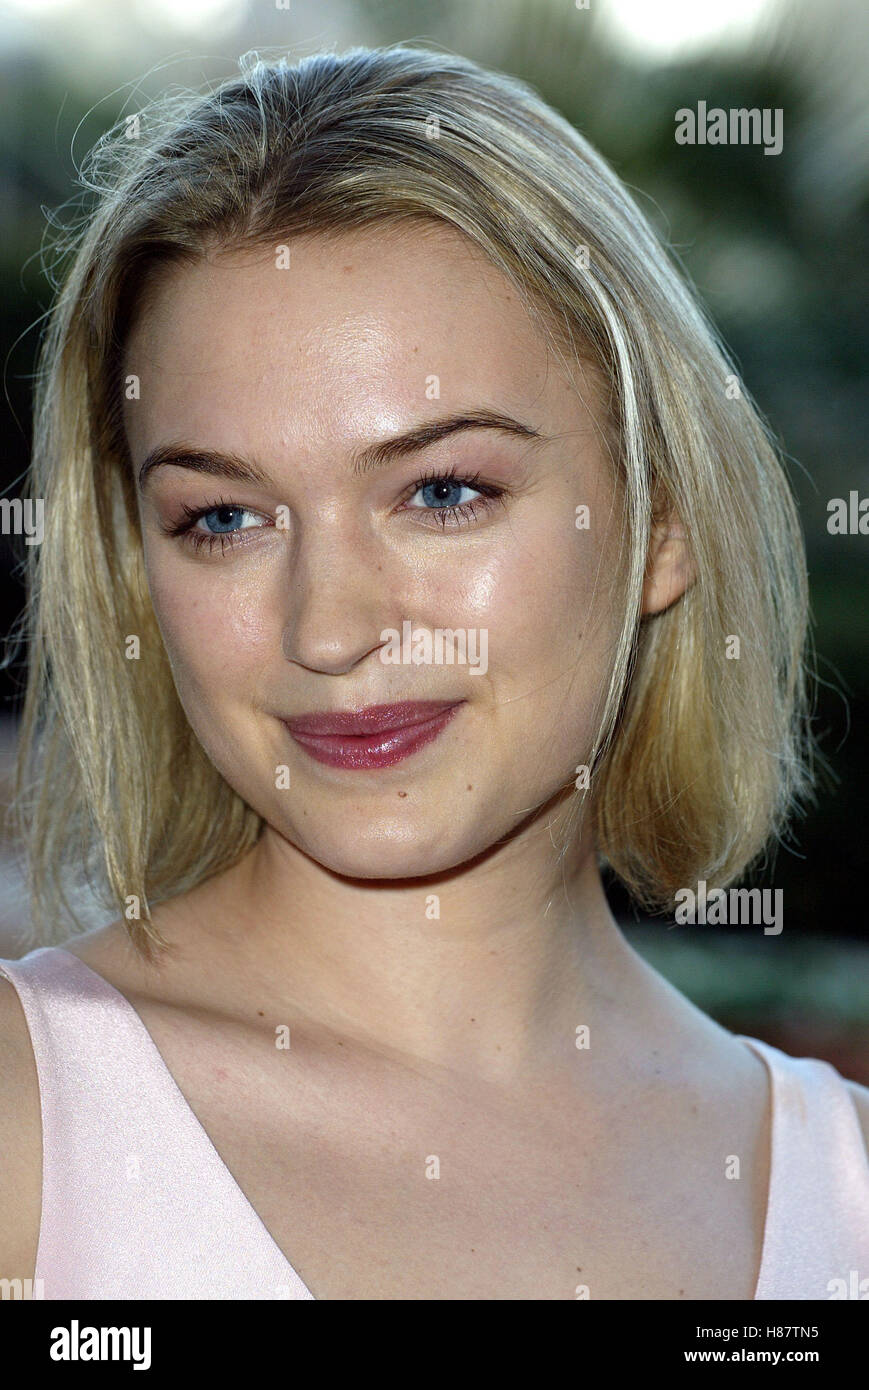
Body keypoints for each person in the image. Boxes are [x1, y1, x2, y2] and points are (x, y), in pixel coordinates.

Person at [0, 44, 866, 1301]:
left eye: (442, 491)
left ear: (662, 523)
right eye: (224, 519)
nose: (330, 630)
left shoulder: (841, 1197)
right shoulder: (29, 1132)